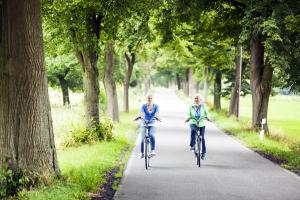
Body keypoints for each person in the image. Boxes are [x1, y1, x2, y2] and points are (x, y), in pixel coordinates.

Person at [185, 94, 211, 160]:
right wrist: (188, 118)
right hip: (193, 122)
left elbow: (207, 113)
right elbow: (188, 113)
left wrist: (208, 118)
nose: (196, 99)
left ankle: (203, 153)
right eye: (195, 98)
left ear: (200, 100)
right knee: (193, 130)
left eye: (198, 98)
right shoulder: (191, 106)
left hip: (202, 123)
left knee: (202, 138)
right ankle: (192, 145)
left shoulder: (203, 106)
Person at [135, 94, 161, 159]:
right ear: (146, 99)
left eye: (151, 98)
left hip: (152, 124)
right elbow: (141, 113)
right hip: (144, 123)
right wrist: (138, 117)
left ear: (152, 99)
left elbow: (157, 114)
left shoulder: (156, 106)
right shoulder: (143, 106)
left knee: (152, 135)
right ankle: (142, 153)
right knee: (142, 139)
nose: (149, 99)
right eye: (148, 98)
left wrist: (158, 118)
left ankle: (152, 150)